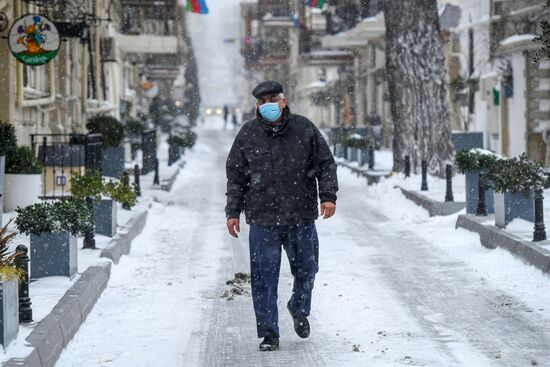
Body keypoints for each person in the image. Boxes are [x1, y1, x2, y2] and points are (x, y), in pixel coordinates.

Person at [225, 80, 338, 351]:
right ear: (257, 106)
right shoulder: (248, 134)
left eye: (272, 99)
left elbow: (325, 164)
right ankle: (269, 334)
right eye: (262, 102)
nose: (268, 105)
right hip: (263, 220)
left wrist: (329, 196)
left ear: (284, 101)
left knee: (308, 269)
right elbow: (236, 176)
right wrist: (233, 212)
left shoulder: (304, 129)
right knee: (264, 279)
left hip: (300, 216)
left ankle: (298, 307)